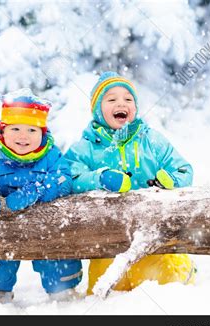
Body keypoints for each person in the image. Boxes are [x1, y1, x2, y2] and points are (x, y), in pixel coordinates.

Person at [65, 72, 196, 295]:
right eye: (111, 99)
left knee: (174, 285)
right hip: (108, 246)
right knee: (102, 297)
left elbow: (185, 169)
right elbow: (70, 177)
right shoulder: (86, 148)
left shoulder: (152, 141)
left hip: (156, 243)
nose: (121, 103)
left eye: (128, 99)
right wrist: (100, 177)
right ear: (97, 109)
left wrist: (170, 180)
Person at [0, 89, 82, 301]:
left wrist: (36, 191)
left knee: (57, 263)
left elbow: (64, 179)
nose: (23, 136)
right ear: (3, 130)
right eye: (15, 128)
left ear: (43, 132)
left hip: (45, 228)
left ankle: (64, 299)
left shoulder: (50, 155)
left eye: (32, 130)